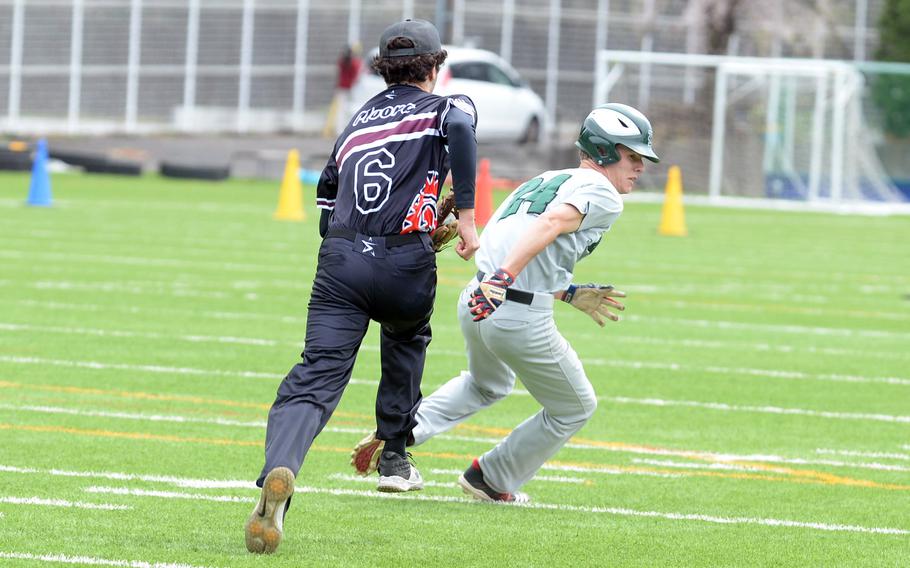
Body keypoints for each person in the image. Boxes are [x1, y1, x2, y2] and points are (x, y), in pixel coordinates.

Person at [245, 18, 480, 554]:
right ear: (435, 66)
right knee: (404, 338)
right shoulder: (449, 106)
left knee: (314, 377)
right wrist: (464, 218)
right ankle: (394, 456)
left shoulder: (356, 121)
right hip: (404, 263)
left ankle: (280, 468)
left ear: (382, 70)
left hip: (342, 261)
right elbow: (462, 135)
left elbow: (327, 200)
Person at [351, 103, 659, 502]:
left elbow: (522, 238)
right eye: (633, 156)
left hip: (477, 300)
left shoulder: (548, 178)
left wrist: (562, 291)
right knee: (575, 406)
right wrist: (506, 278)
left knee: (487, 384)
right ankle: (491, 478)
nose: (640, 167)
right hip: (512, 308)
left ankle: (402, 433)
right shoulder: (602, 193)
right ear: (604, 150)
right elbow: (549, 225)